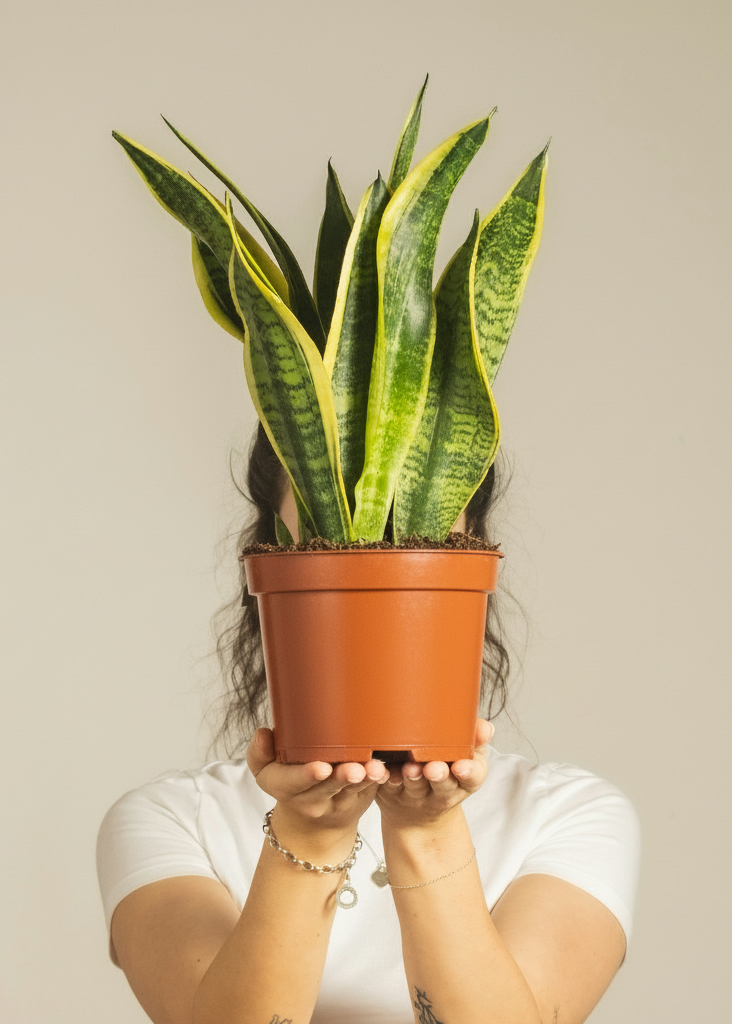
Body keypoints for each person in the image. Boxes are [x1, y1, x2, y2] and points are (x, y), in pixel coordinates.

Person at [97, 423, 640, 1024]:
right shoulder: (172, 819)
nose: (373, 558)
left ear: (474, 560)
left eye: (406, 534)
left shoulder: (571, 814)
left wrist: (425, 831)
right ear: (271, 562)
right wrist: (309, 832)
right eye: (335, 532)